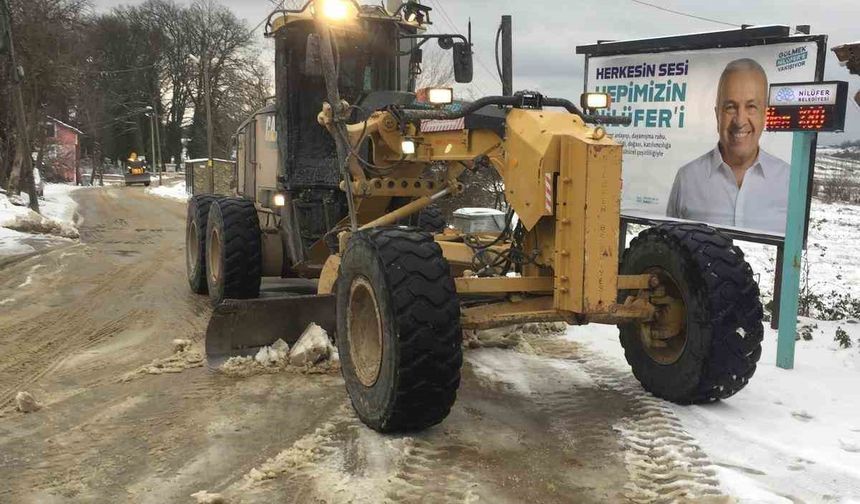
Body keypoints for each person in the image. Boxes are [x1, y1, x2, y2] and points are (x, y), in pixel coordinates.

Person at [666, 58, 790, 234]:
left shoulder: (789, 182)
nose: (739, 121)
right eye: (730, 107)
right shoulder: (687, 179)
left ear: (765, 115)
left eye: (751, 107)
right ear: (717, 115)